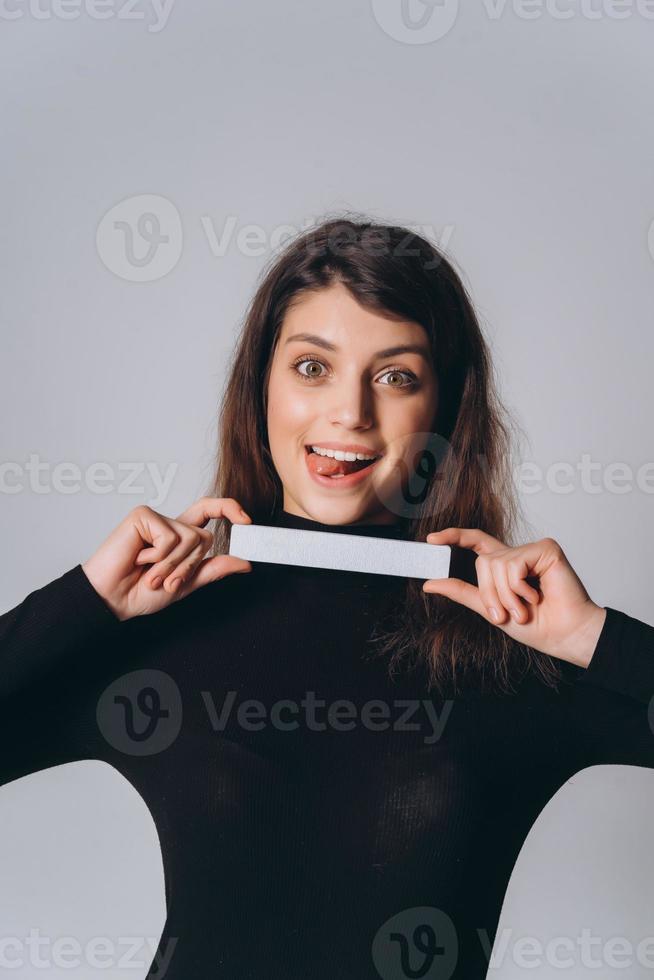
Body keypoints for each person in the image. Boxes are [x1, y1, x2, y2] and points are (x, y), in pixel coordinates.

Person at [1, 217, 653, 980]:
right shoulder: (164, 625)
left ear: (442, 412)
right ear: (262, 387)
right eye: (313, 368)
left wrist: (593, 639)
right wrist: (84, 603)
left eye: (396, 375)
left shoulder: (507, 642)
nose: (350, 413)